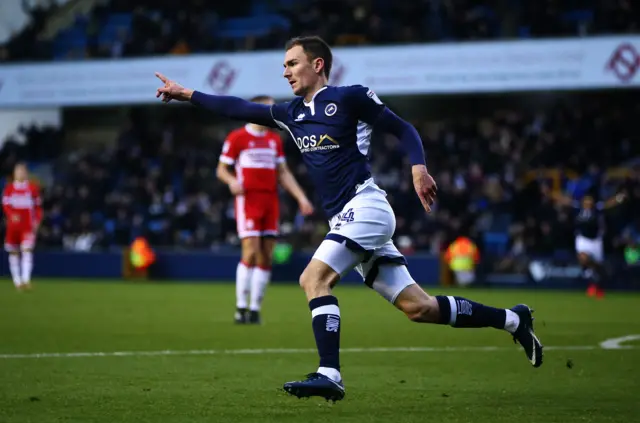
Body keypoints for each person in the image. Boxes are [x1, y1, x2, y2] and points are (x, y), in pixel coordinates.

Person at [155, 35, 543, 402]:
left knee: (313, 278)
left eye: (292, 63)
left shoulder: (350, 98)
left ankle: (330, 374)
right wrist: (185, 93)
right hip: (347, 217)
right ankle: (512, 320)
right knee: (419, 308)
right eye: (284, 65)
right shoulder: (290, 114)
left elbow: (403, 128)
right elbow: (236, 107)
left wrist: (418, 168)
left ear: (317, 64)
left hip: (367, 206)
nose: (285, 72)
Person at [217, 95, 314, 324]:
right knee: (250, 251)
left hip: (271, 202)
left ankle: (254, 309)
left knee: (266, 255)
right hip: (248, 201)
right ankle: (240, 308)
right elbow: (221, 169)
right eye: (269, 108)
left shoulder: (274, 140)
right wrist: (232, 181)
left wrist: (301, 198)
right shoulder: (238, 137)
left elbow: (283, 173)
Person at [550, 191, 626, 298]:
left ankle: (596, 284)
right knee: (583, 258)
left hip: (595, 241)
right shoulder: (578, 208)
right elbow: (566, 201)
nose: (588, 202)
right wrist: (553, 194)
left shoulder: (597, 208)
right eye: (586, 200)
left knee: (597, 266)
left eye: (590, 200)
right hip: (583, 239)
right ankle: (591, 278)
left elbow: (609, 203)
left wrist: (618, 198)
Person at [2, 162, 42, 290]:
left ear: (26, 173)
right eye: (18, 171)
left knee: (27, 250)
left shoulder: (32, 188)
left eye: (23, 171)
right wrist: (11, 214)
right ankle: (17, 281)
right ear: (14, 173)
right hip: (13, 227)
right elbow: (5, 205)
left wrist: (37, 220)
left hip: (27, 225)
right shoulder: (9, 189)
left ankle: (26, 279)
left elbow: (38, 207)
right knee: (13, 252)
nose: (20, 173)